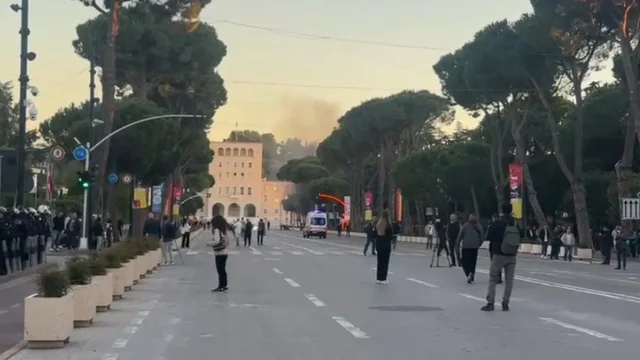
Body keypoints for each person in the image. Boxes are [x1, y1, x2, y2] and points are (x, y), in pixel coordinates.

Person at [482, 203, 520, 312]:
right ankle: (505, 303)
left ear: (502, 211)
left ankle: (490, 302)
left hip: (498, 254)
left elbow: (488, 236)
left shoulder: (497, 223)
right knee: (509, 281)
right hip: (512, 255)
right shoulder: (515, 223)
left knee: (493, 278)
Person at [457, 213, 483, 284]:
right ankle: (471, 274)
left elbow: (460, 235)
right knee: (473, 262)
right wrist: (479, 244)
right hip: (475, 247)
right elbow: (482, 236)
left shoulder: (465, 225)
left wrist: (458, 242)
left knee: (464, 262)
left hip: (466, 246)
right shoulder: (478, 226)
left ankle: (468, 273)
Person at [209, 215, 230, 292]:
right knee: (223, 270)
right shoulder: (224, 230)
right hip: (225, 252)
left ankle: (220, 286)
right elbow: (227, 241)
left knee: (220, 270)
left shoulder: (217, 230)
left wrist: (209, 243)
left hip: (219, 252)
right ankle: (224, 285)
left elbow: (217, 241)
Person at [375, 210, 394, 284]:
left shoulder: (378, 224)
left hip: (379, 244)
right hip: (386, 245)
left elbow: (375, 234)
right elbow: (390, 237)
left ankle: (378, 278)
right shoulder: (388, 225)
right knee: (385, 263)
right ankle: (383, 278)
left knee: (379, 262)